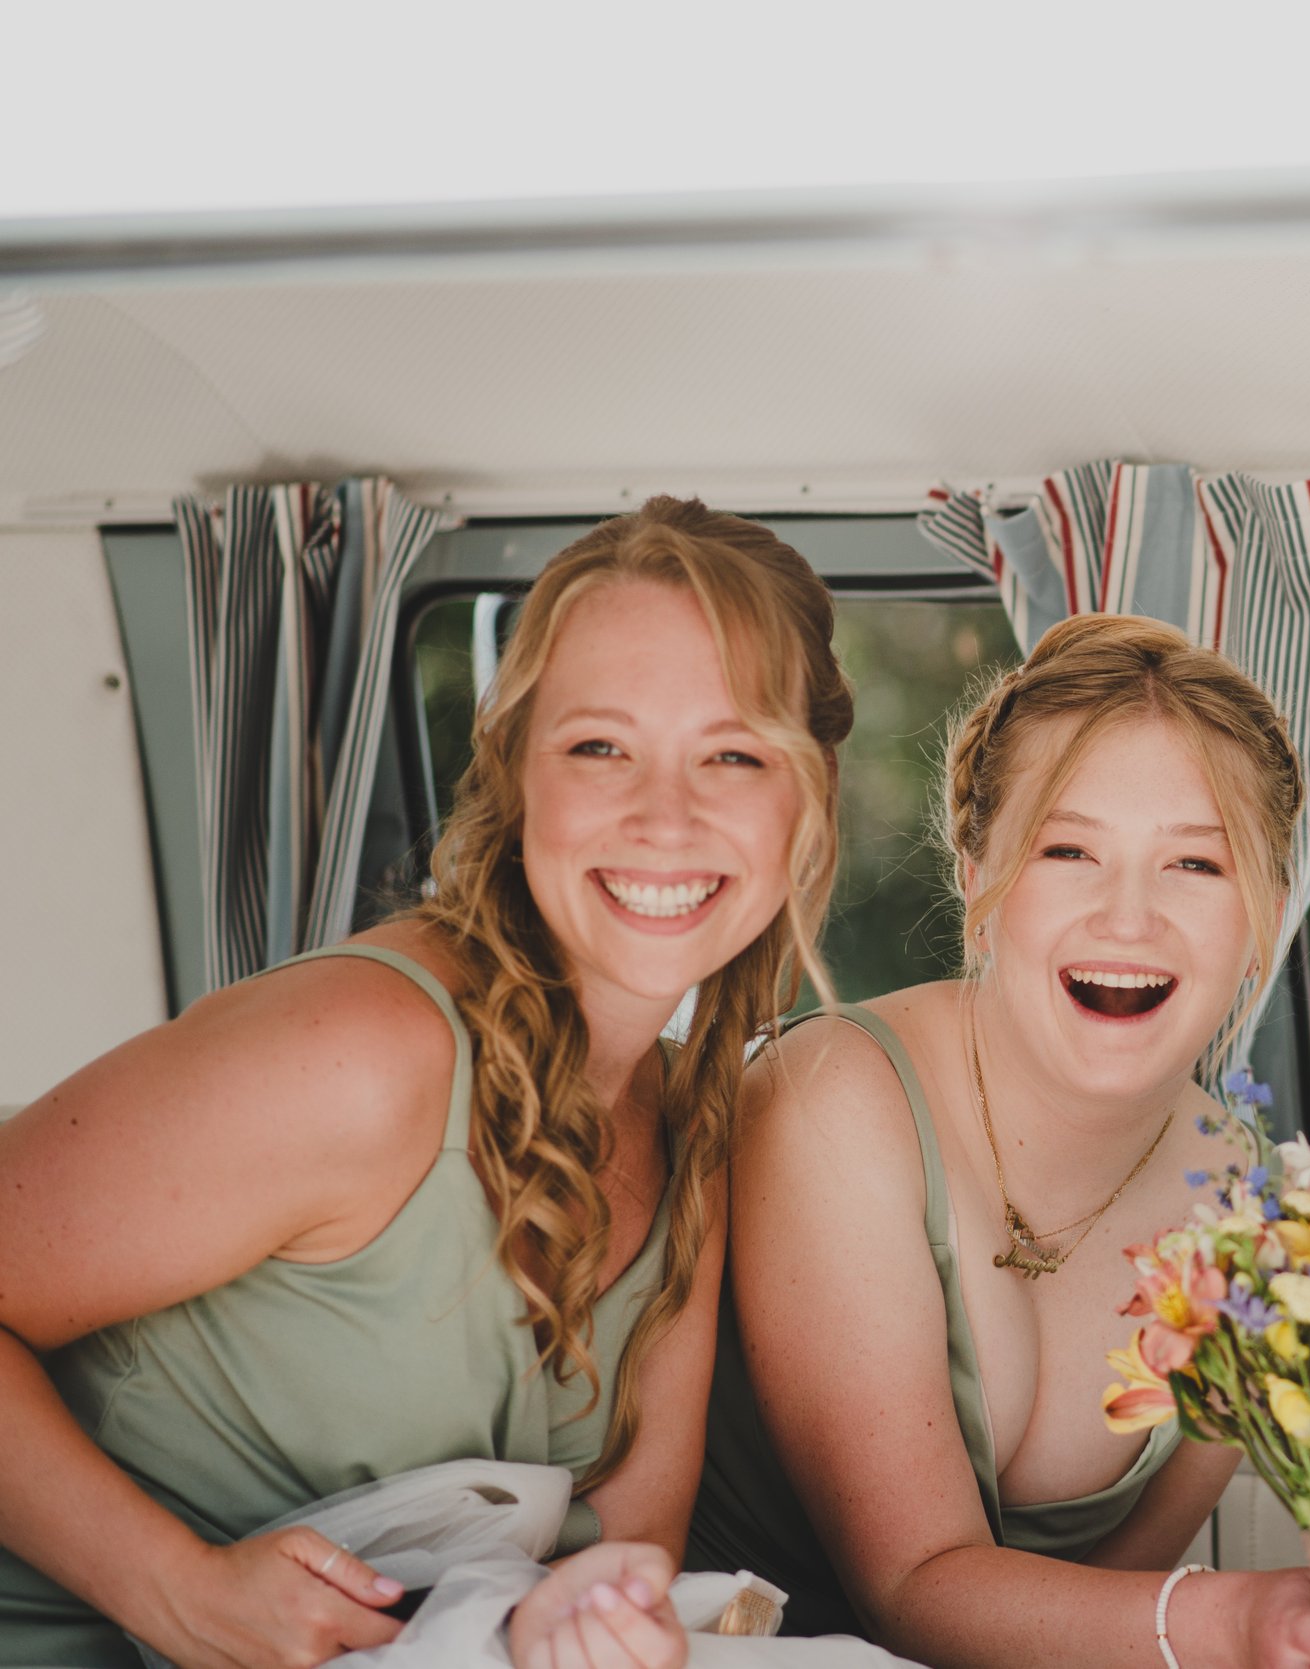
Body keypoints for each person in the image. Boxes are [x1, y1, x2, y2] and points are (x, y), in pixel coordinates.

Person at [0, 497, 854, 1669]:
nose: (666, 816)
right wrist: (179, 1590)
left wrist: (567, 1617)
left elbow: (626, 1550)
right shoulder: (366, 1053)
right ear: (513, 775)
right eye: (599, 746)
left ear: (806, 800)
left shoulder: (691, 1123)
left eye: (734, 754)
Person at [690, 614, 1310, 1668]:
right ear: (977, 874)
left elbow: (1105, 1609)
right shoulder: (833, 1099)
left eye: (1195, 865)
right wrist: (1230, 1620)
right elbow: (908, 1585)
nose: (1129, 917)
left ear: (1263, 910)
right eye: (1067, 851)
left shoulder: (1248, 1202)